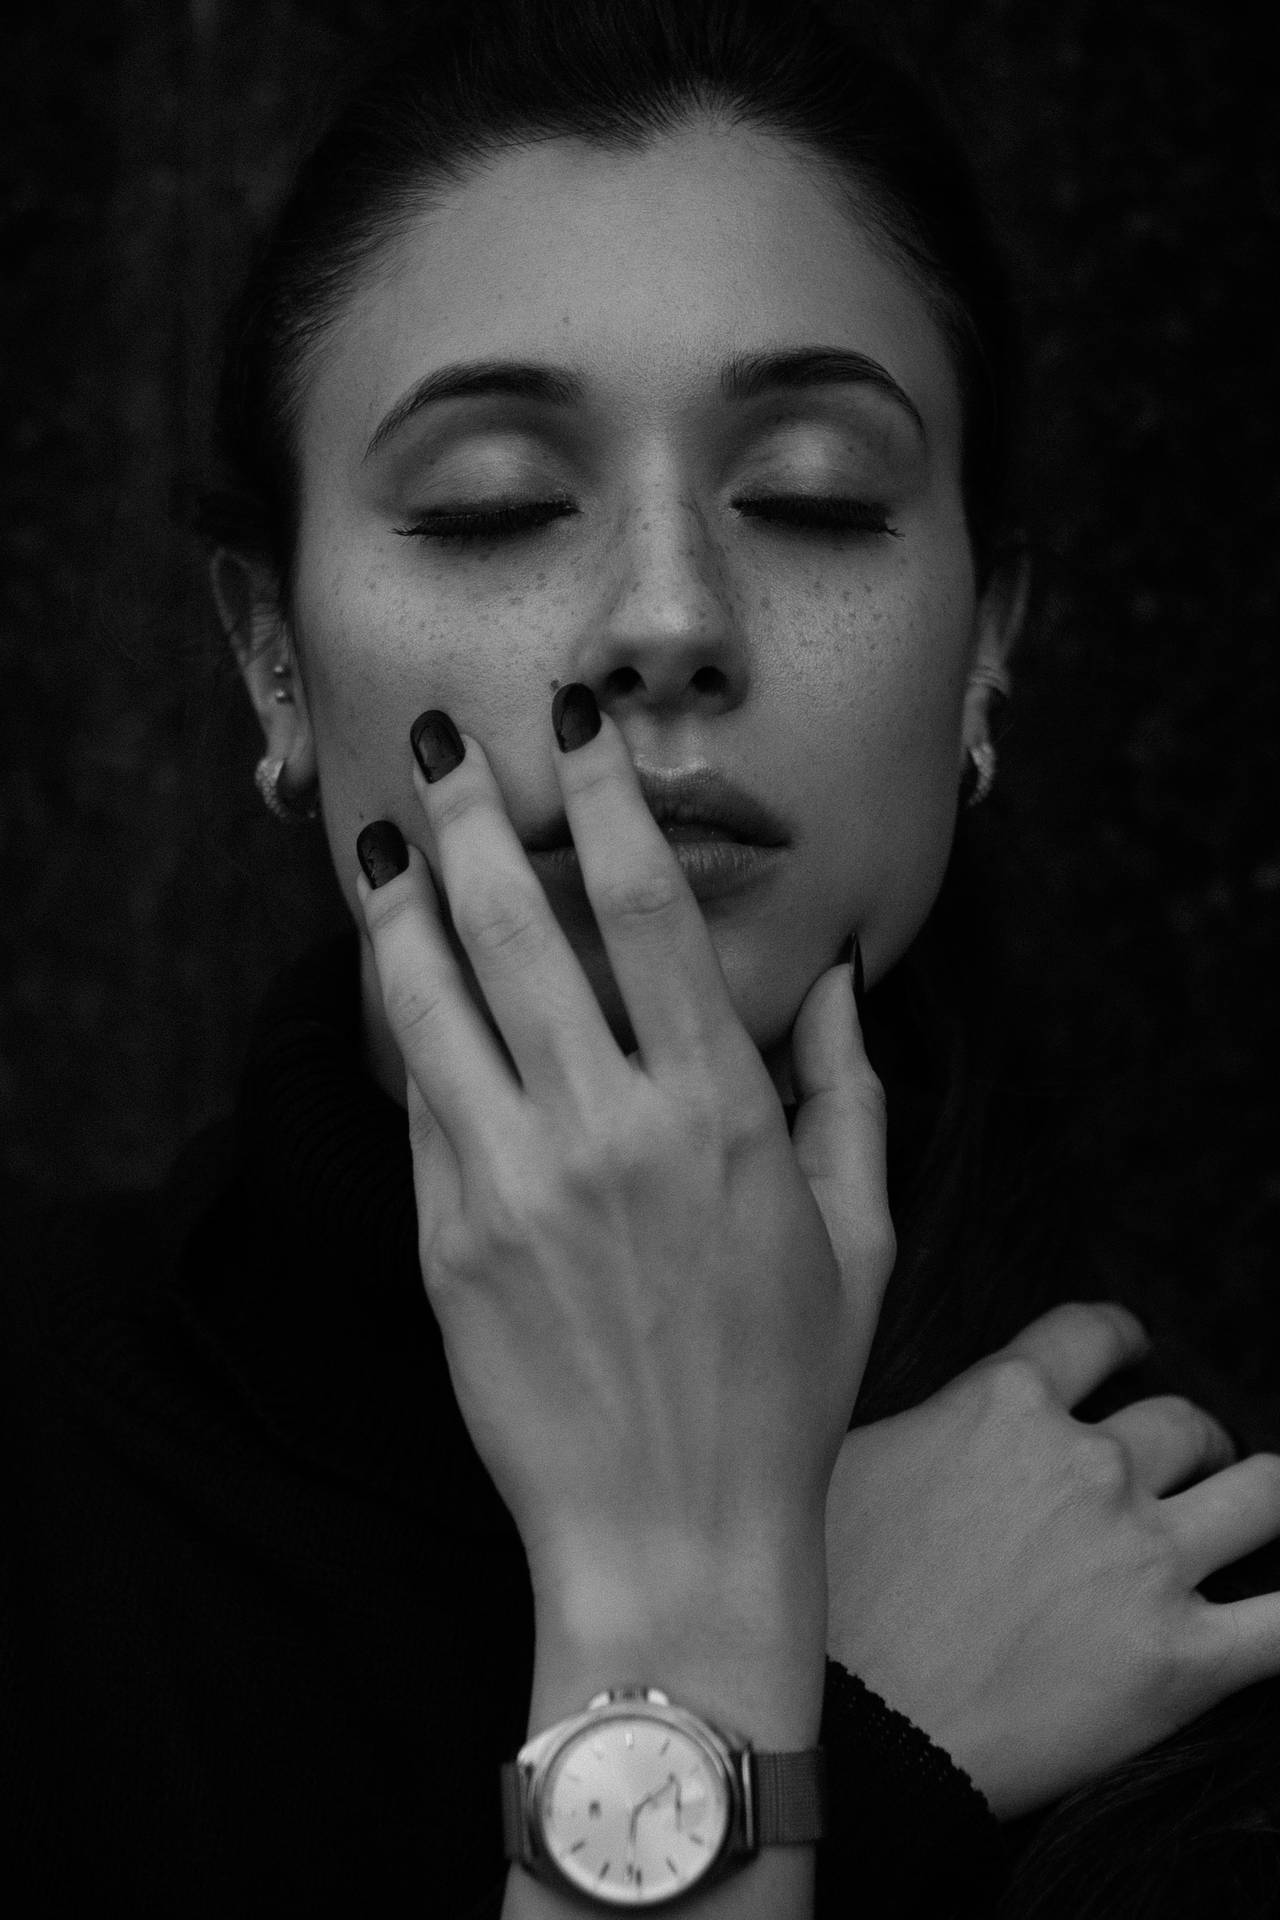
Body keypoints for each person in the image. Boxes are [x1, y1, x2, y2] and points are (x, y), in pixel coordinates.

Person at [4, 1, 1279, 1913]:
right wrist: (781, 1688)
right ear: (272, 654)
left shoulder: (1171, 1561)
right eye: (495, 505)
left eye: (818, 497)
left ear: (989, 645)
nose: (669, 619)